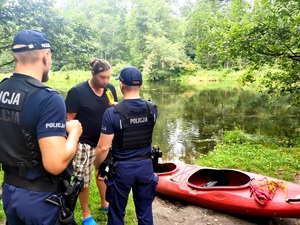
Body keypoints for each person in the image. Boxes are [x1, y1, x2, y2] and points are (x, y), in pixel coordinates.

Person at [0, 30, 82, 225]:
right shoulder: (47, 98)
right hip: (40, 199)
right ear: (45, 56)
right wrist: (74, 133)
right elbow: (55, 164)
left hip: (10, 191)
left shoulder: (2, 89)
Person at [95, 66, 159, 225]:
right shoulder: (152, 109)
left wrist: (98, 167)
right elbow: (137, 119)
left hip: (122, 169)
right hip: (146, 166)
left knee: (116, 212)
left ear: (121, 85)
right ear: (141, 86)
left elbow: (103, 148)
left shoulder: (112, 113)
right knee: (145, 212)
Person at [65, 58, 118, 225]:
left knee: (103, 174)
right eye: (102, 77)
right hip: (84, 143)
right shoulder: (77, 92)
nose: (106, 81)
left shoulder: (109, 88)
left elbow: (112, 112)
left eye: (108, 77)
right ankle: (86, 214)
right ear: (93, 73)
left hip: (104, 141)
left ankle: (105, 203)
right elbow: (67, 121)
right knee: (83, 179)